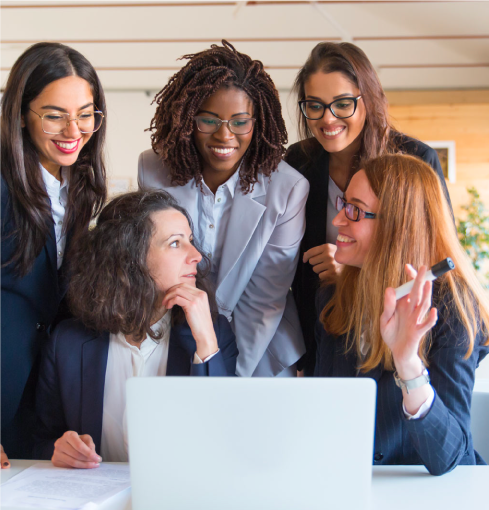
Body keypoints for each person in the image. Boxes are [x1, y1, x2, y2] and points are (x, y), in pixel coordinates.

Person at [138, 41, 309, 377]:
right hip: (175, 330)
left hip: (260, 349)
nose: (225, 135)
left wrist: (224, 375)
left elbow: (265, 299)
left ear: (258, 122)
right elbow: (151, 268)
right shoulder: (153, 170)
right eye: (209, 120)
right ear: (188, 118)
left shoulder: (288, 189)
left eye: (240, 122)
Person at [33, 190, 238, 467]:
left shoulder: (214, 336)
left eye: (190, 241)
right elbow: (40, 439)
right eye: (176, 243)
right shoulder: (67, 342)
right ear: (129, 257)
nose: (196, 255)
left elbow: (224, 446)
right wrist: (59, 450)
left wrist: (206, 342)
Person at [315, 154, 489, 475]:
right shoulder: (333, 297)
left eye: (354, 209)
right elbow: (326, 418)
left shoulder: (452, 309)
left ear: (397, 226)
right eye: (343, 203)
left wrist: (408, 364)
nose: (338, 219)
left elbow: (451, 458)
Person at [285, 42, 452, 375]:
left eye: (343, 104)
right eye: (314, 105)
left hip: (390, 334)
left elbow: (434, 260)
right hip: (323, 334)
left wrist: (351, 273)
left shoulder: (414, 160)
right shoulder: (298, 162)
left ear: (369, 99)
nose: (327, 118)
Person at [0, 42, 107, 464]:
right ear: (21, 116)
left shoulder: (77, 192)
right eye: (54, 116)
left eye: (85, 114)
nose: (73, 130)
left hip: (38, 405)